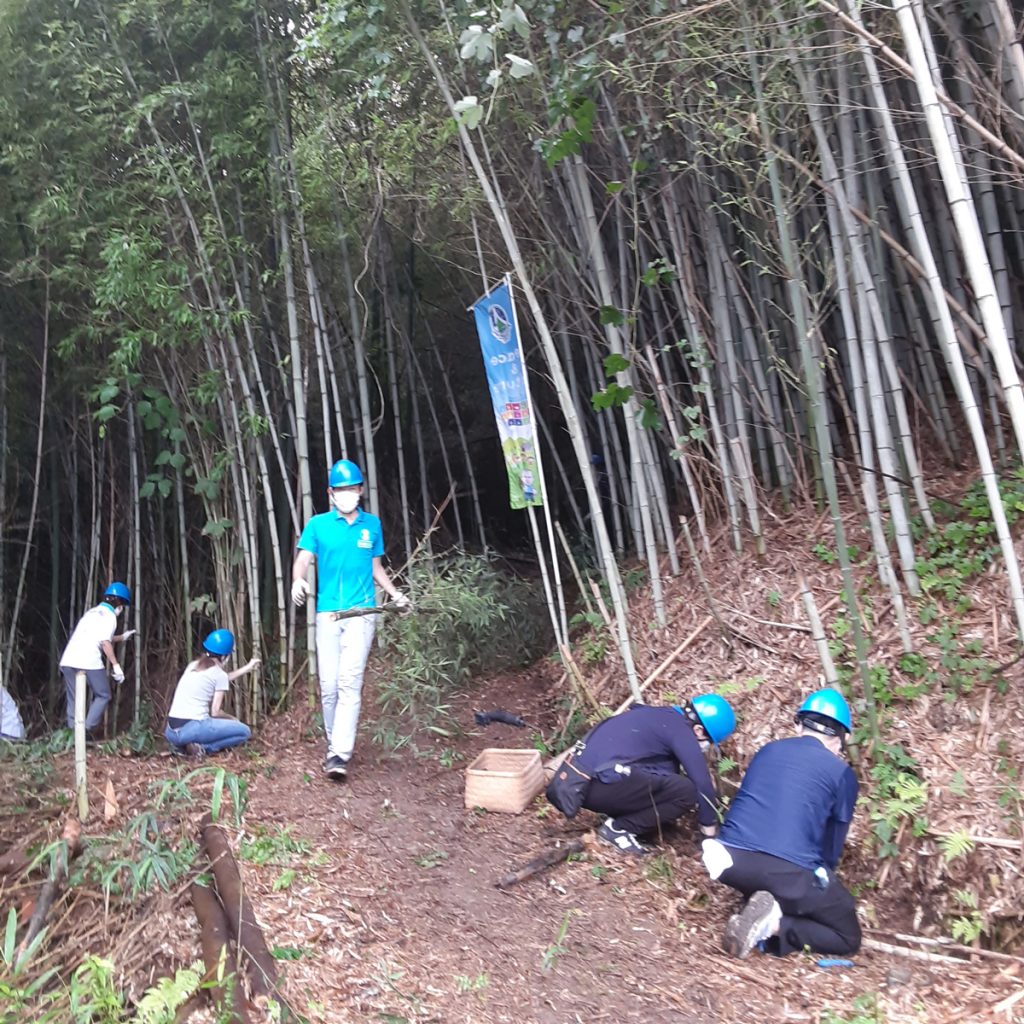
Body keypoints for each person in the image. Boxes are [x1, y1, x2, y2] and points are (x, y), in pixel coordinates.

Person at [702, 687, 861, 960]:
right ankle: (771, 925)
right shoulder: (841, 773)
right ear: (841, 738)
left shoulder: (768, 750)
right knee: (848, 936)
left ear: (799, 725)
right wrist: (820, 883)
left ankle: (761, 905)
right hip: (784, 870)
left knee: (777, 870)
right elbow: (831, 847)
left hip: (728, 856)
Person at [291, 459, 409, 781]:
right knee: (329, 688)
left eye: (352, 489)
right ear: (331, 493)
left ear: (360, 490)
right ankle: (334, 745)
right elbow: (302, 559)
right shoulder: (318, 525)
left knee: (349, 682)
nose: (347, 494)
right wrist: (297, 580)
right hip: (328, 613)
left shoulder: (371, 525)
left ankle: (340, 753)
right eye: (340, 489)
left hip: (362, 613)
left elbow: (376, 569)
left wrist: (396, 595)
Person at [547, 695, 737, 856]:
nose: (705, 746)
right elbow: (702, 785)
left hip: (581, 782)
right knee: (686, 791)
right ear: (698, 730)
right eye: (708, 741)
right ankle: (619, 829)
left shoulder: (658, 716)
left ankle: (626, 819)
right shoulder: (680, 731)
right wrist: (709, 835)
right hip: (595, 785)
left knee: (668, 771)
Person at [164, 629, 259, 758]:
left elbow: (222, 678)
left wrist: (247, 668)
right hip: (192, 728)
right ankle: (203, 748)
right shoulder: (218, 675)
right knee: (244, 732)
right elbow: (215, 712)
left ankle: (183, 747)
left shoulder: (193, 665)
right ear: (225, 656)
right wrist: (233, 719)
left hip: (171, 732)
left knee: (199, 728)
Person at [59, 582, 136, 735]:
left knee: (74, 698)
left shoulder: (92, 612)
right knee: (103, 694)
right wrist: (116, 665)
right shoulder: (110, 616)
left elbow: (98, 635)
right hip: (88, 660)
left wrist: (122, 637)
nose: (121, 608)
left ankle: (71, 735)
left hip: (68, 659)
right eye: (122, 604)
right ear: (117, 602)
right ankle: (86, 731)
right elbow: (104, 642)